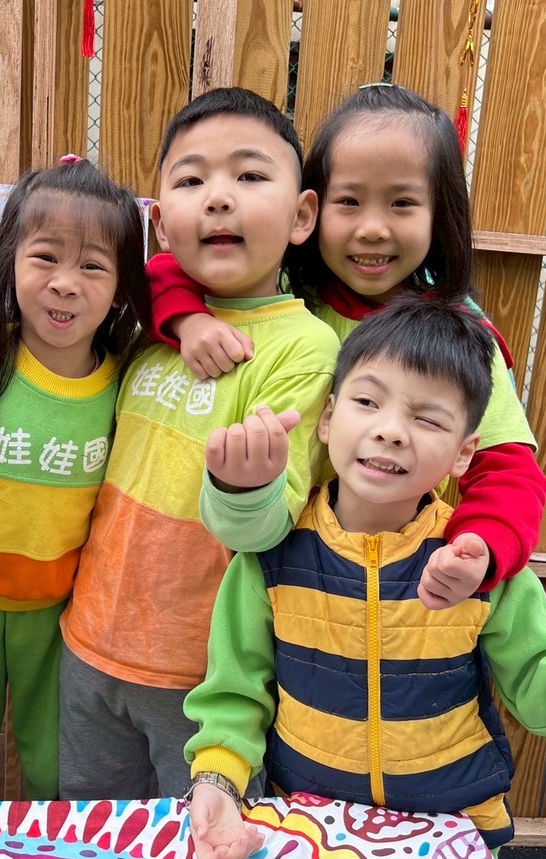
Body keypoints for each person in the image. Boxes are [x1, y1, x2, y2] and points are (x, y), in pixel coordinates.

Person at [182, 296, 546, 859]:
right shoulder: (273, 556)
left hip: (454, 834)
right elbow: (235, 691)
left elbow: (541, 669)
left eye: (427, 419)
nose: (390, 431)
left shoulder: (470, 561)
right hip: (310, 823)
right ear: (326, 418)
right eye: (366, 402)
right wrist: (218, 782)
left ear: (463, 453)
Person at [149, 83, 546, 606]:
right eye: (349, 202)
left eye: (402, 203)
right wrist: (187, 319)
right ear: (309, 211)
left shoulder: (457, 340)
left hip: (389, 588)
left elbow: (507, 469)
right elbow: (167, 269)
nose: (373, 228)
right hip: (272, 577)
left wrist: (481, 547)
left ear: (440, 214)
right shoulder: (290, 292)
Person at [57, 87, 341, 800]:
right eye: (191, 180)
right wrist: (182, 319)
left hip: (204, 675)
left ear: (302, 215)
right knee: (92, 839)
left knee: (205, 845)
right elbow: (140, 280)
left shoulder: (303, 347)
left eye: (250, 175)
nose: (218, 197)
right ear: (158, 220)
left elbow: (267, 527)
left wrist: (245, 487)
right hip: (88, 642)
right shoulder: (145, 323)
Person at [0, 158, 149, 801]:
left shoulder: (129, 381)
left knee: (55, 766)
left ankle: (56, 855)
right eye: (44, 257)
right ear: (9, 261)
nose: (65, 284)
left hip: (61, 613)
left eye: (93, 266)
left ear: (121, 285)